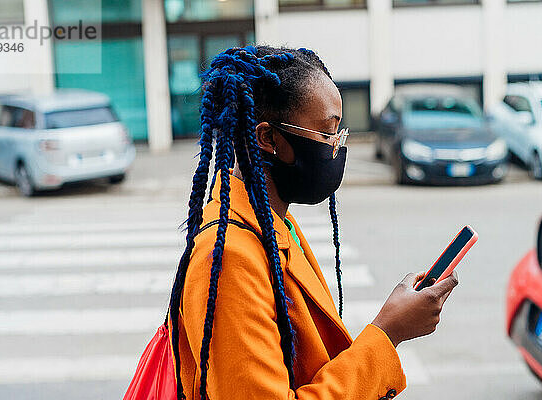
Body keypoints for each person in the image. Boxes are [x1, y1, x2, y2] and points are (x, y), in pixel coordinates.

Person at [167, 45, 458, 400]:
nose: (335, 147)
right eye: (325, 133)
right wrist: (388, 332)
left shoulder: (274, 223)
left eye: (340, 134)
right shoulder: (228, 257)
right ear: (268, 139)